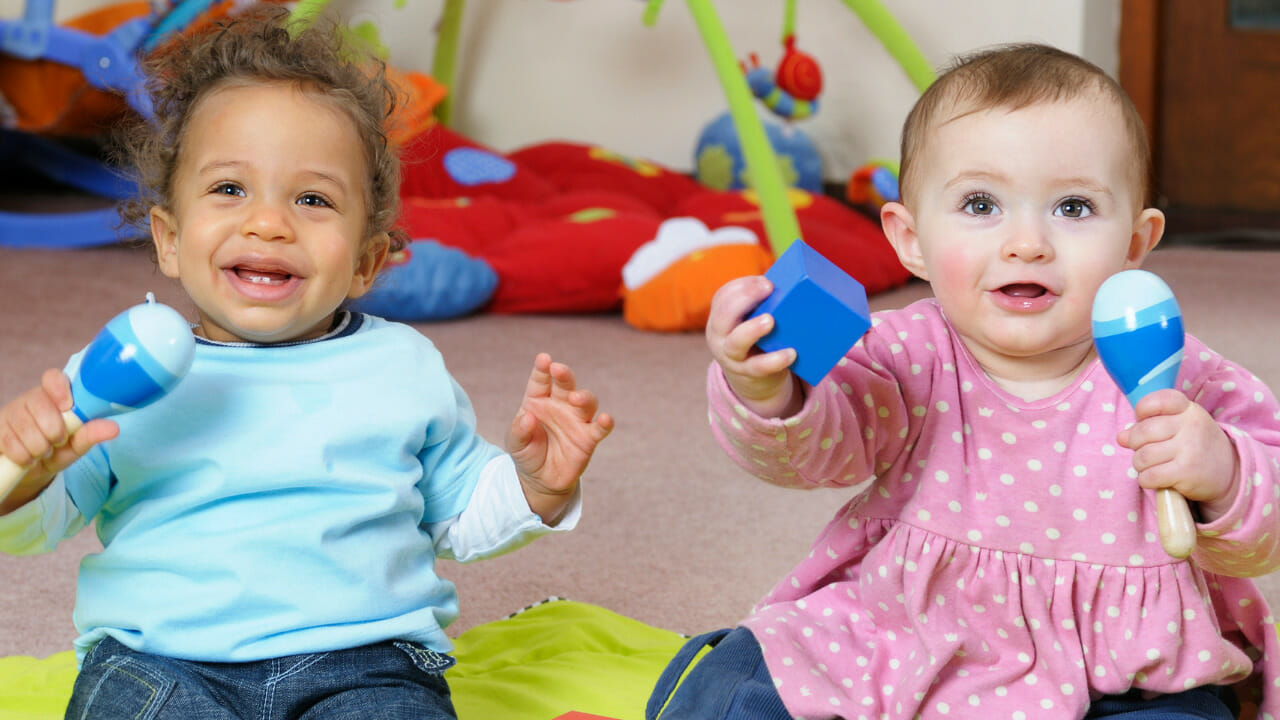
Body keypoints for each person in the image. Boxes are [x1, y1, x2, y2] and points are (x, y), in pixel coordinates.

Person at [0, 6, 613, 719]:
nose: (268, 222)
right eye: (229, 189)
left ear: (366, 261)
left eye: (313, 198)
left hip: (366, 664)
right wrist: (25, 473)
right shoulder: (124, 367)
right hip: (161, 661)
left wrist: (536, 486)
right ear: (168, 239)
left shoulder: (402, 366)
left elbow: (459, 517)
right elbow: (36, 525)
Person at [648, 43, 1280, 720]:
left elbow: (1262, 532)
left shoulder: (1172, 370)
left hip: (1118, 672)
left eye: (1072, 208)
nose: (1027, 242)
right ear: (910, 239)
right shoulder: (903, 353)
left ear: (1134, 241)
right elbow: (810, 453)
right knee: (738, 684)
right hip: (905, 634)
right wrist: (766, 390)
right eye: (981, 204)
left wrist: (1223, 471)